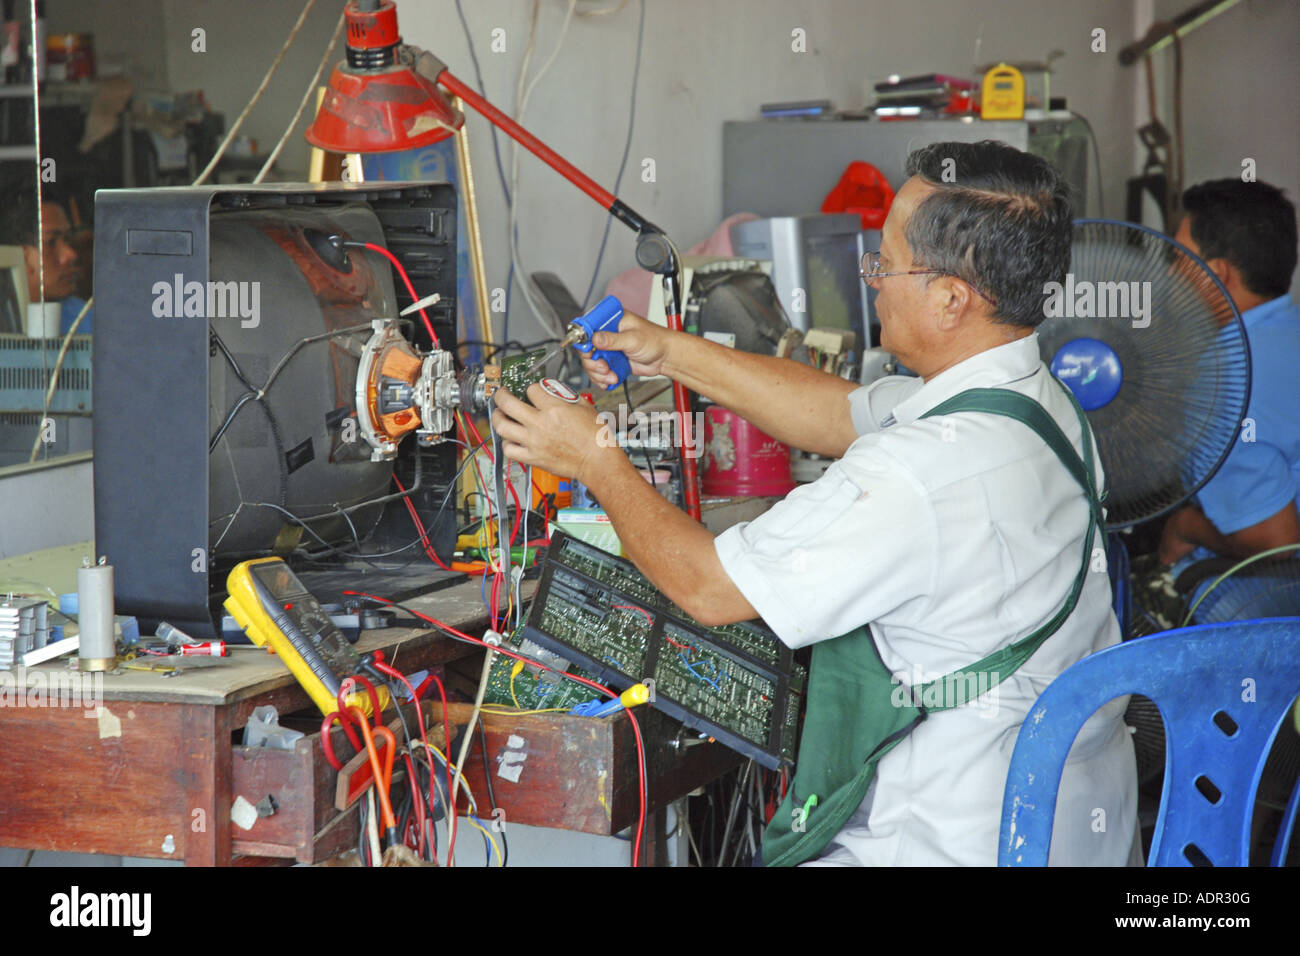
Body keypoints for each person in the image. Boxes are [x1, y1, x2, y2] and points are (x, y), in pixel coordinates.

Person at [492, 140, 1137, 866]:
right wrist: (669, 351)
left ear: (953, 299)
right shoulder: (1038, 404)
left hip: (949, 840)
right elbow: (838, 413)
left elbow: (707, 586)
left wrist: (595, 459)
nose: (873, 281)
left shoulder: (918, 473)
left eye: (885, 263)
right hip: (1081, 826)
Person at [1157, 180, 1299, 578]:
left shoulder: (1227, 380)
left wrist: (1186, 527)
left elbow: (1276, 542)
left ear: (1216, 274)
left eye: (1179, 258)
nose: (1170, 273)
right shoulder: (1290, 331)